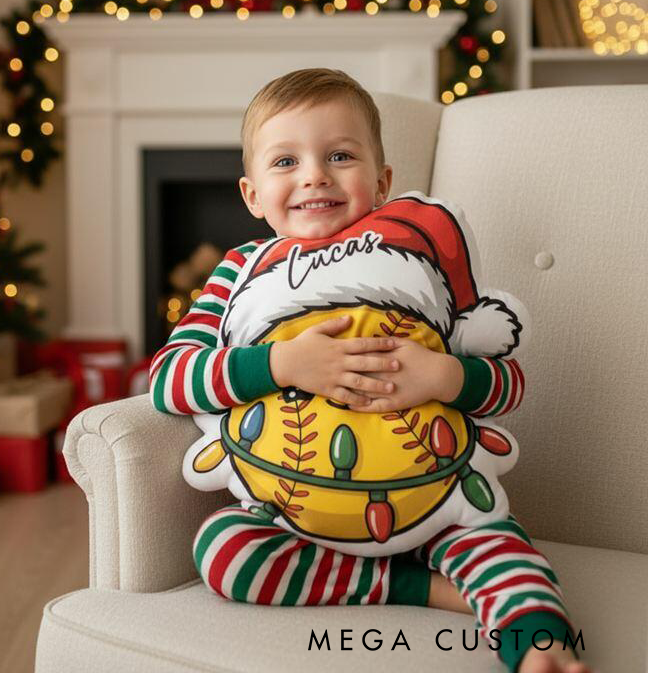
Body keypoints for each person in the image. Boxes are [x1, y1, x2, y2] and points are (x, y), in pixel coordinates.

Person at [149, 68, 591, 673]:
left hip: (435, 494)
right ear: (251, 195)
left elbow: (511, 385)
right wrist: (283, 362)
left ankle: (540, 647)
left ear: (382, 181)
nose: (314, 175)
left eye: (339, 155)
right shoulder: (240, 274)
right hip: (295, 511)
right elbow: (170, 378)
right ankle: (421, 588)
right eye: (285, 162)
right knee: (222, 551)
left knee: (501, 547)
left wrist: (444, 377)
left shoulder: (419, 263)